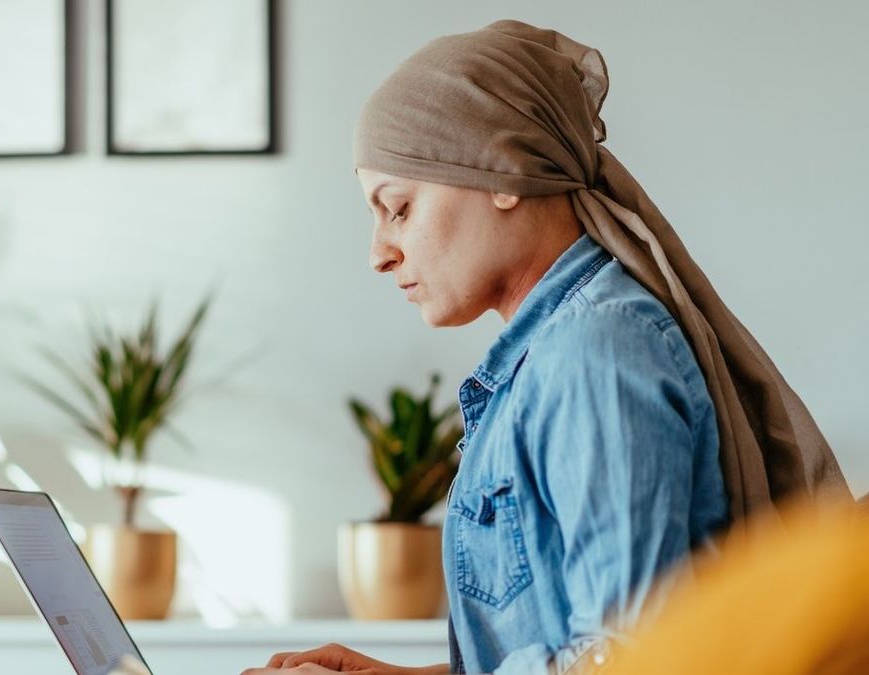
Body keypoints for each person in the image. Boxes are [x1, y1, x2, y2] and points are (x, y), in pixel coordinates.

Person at [241, 18, 850, 675]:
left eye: (400, 208)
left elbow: (631, 660)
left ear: (504, 171)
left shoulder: (597, 354)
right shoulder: (556, 354)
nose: (379, 254)